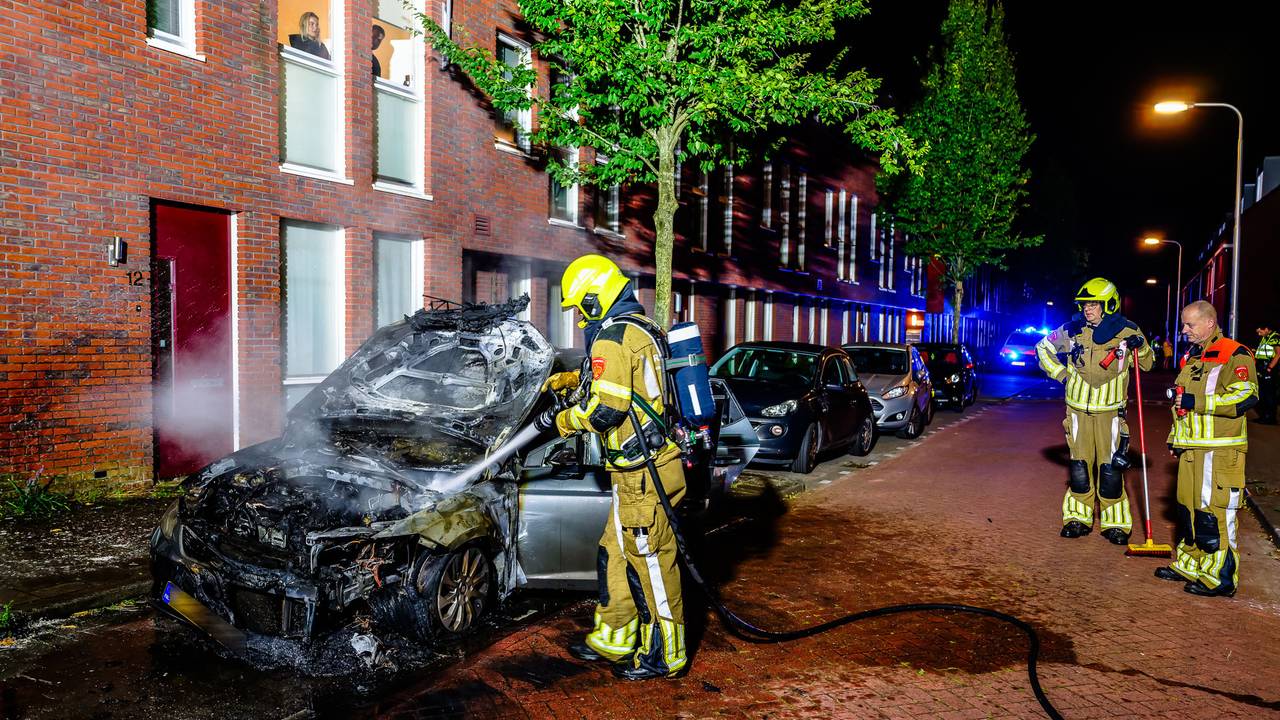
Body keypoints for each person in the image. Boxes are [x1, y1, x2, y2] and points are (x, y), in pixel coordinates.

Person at [532, 254, 689, 681]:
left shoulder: (612, 338)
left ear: (595, 298)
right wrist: (571, 380)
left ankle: (666, 655)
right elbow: (622, 381)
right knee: (615, 552)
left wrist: (562, 421)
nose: (580, 318)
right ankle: (615, 636)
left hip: (643, 473)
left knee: (651, 562)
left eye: (581, 307)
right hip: (645, 469)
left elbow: (606, 410)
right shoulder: (640, 329)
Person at [1037, 278, 1154, 544]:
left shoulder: (1127, 331)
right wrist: (1062, 375)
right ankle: (1077, 519)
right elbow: (1043, 348)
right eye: (1085, 304)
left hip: (1110, 413)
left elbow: (1147, 364)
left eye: (1094, 304)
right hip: (1077, 412)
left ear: (1109, 305)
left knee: (1110, 469)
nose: (1088, 309)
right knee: (1079, 468)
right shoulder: (1072, 330)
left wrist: (1142, 347)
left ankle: (1116, 525)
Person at [1155, 301, 1257, 597]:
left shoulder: (1234, 353)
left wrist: (1197, 403)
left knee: (1214, 515)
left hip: (1220, 451)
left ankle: (1220, 579)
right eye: (1184, 324)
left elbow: (1245, 397)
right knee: (1188, 511)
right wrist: (1176, 439)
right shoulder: (1194, 356)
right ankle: (1190, 565)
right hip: (1192, 449)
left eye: (1190, 325)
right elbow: (1181, 406)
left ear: (1210, 323)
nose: (1184, 330)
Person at [1254, 324, 1278, 423]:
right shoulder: (1265, 338)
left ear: (1267, 329)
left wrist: (1269, 368)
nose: (1259, 334)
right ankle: (1264, 416)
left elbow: (1278, 354)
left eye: (1260, 331)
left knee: (1269, 394)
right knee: (1262, 393)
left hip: (1268, 367)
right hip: (1261, 367)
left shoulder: (1275, 337)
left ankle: (1270, 418)